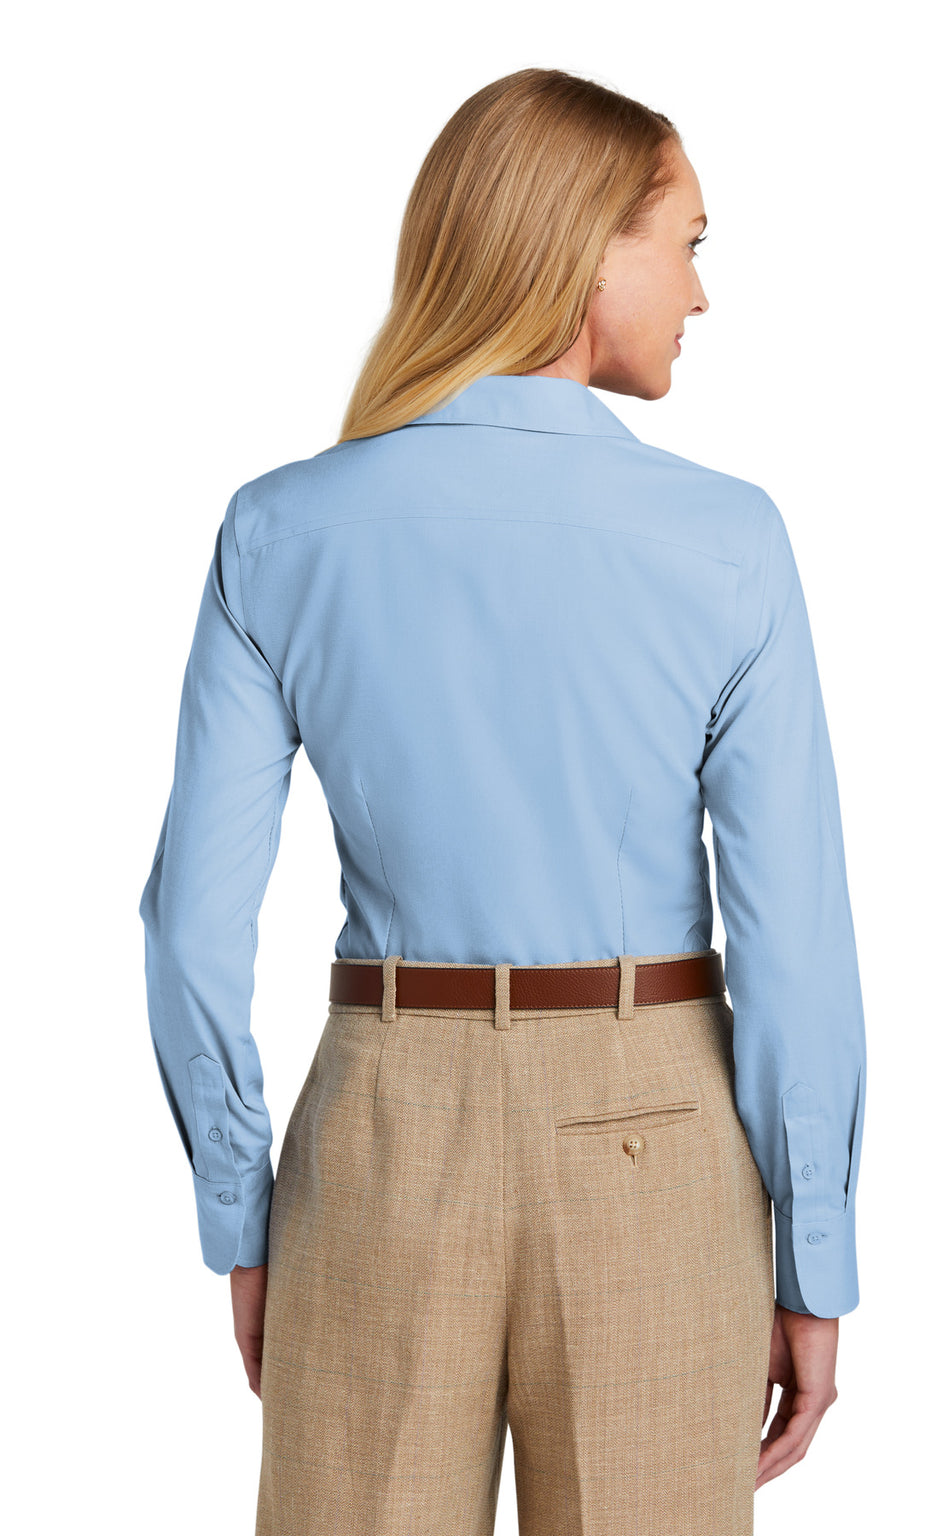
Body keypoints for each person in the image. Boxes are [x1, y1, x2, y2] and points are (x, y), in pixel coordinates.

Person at [139, 66, 866, 1536]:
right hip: (657, 1139)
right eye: (689, 245)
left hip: (380, 1140)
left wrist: (241, 1212)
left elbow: (190, 930)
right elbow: (794, 943)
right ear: (588, 247)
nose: (702, 295)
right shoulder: (727, 542)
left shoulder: (281, 529)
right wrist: (816, 1259)